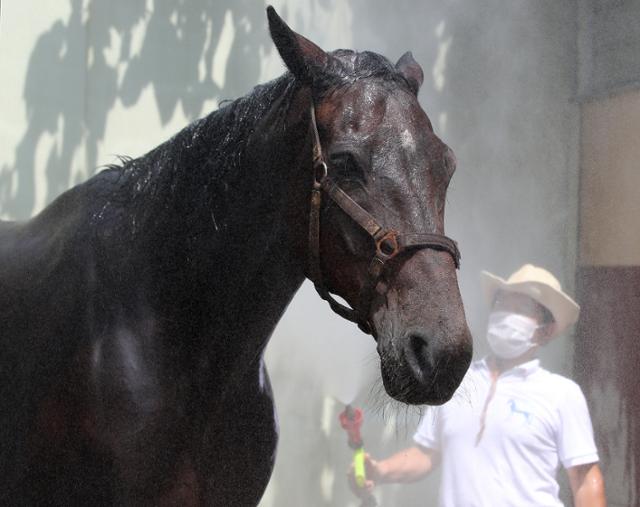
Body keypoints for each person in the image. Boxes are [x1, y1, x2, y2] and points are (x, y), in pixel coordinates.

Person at [349, 264, 606, 506]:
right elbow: (426, 454)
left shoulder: (561, 394)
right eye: (502, 304)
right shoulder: (459, 381)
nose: (507, 315)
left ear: (546, 330)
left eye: (522, 309)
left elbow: (584, 478)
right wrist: (380, 471)